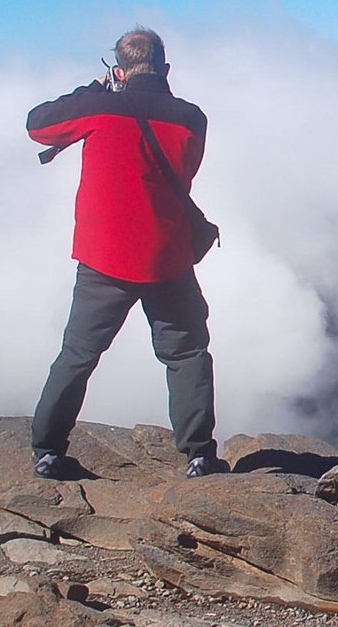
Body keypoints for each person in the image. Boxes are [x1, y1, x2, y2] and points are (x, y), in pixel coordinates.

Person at [27, 27, 224, 478]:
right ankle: (198, 455)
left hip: (103, 259)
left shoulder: (99, 106)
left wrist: (93, 91)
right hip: (166, 258)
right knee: (187, 353)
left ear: (117, 70)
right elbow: (186, 169)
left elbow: (38, 124)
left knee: (77, 354)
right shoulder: (191, 118)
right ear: (166, 69)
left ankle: (47, 450)